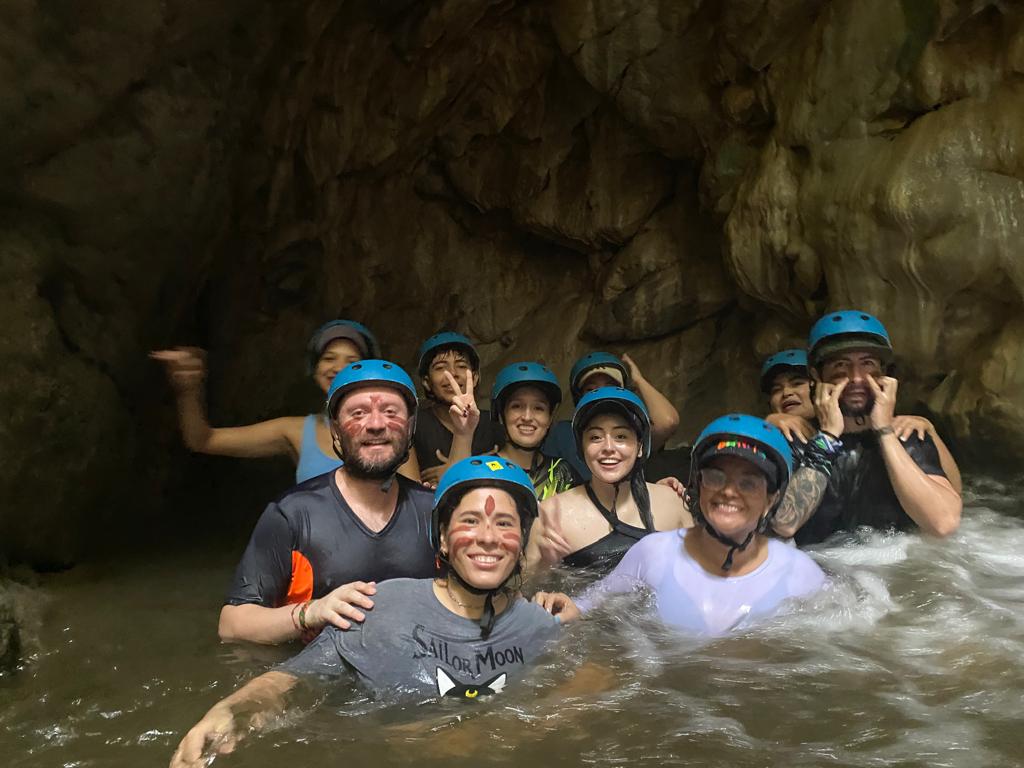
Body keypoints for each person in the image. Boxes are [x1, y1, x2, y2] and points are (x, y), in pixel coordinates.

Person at [170, 456, 562, 768]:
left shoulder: (541, 627)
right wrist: (231, 712)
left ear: (522, 540)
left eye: (505, 523)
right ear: (441, 537)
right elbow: (292, 681)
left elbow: (581, 688)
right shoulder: (379, 608)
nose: (489, 538)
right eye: (470, 521)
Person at [534, 415, 826, 636]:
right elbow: (587, 606)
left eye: (748, 483)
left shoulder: (802, 576)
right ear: (698, 484)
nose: (728, 491)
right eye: (715, 477)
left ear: (772, 498)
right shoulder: (653, 553)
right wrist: (558, 606)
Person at [218, 360, 436, 645]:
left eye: (390, 412)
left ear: (409, 427)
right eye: (358, 413)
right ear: (336, 430)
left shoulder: (435, 510)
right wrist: (312, 612)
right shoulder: (292, 514)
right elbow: (232, 626)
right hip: (318, 674)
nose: (376, 424)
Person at [151, 320, 418, 483]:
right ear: (314, 371)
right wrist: (189, 390)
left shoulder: (390, 429)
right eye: (329, 358)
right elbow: (202, 440)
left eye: (351, 362)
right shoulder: (295, 431)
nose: (338, 368)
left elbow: (414, 505)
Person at [776, 311, 962, 543]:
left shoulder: (908, 436)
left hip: (891, 572)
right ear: (817, 375)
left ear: (884, 374)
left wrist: (884, 431)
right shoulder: (797, 440)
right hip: (817, 569)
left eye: (867, 364)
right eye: (841, 366)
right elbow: (783, 524)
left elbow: (943, 524)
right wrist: (828, 436)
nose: (856, 378)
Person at [526, 387, 692, 574]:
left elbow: (701, 580)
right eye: (595, 437)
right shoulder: (551, 517)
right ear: (582, 448)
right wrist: (543, 567)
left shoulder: (673, 502)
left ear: (640, 446)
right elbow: (523, 594)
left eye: (621, 436)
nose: (608, 447)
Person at [760, 347, 962, 493]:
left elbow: (953, 494)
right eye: (777, 390)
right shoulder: (775, 432)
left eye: (797, 384)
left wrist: (930, 430)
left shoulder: (890, 428)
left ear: (817, 385)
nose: (787, 393)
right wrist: (767, 426)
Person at [543, 352, 680, 479]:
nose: (602, 395)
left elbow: (667, 423)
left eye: (610, 386)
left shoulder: (633, 429)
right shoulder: (563, 433)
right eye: (591, 389)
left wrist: (638, 380)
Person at [412, 331, 503, 486]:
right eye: (440, 367)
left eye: (461, 366)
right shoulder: (415, 424)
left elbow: (508, 471)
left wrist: (463, 470)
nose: (452, 373)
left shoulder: (493, 424)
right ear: (427, 382)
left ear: (474, 378)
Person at [487, 362, 581, 499]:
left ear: (550, 418)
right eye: (517, 406)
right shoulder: (483, 470)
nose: (527, 417)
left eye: (538, 408)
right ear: (501, 415)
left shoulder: (562, 473)